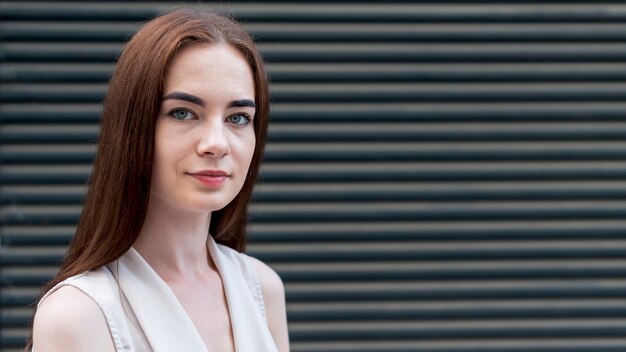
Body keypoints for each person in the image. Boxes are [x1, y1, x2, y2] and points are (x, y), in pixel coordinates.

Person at [25, 8, 289, 352]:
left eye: (238, 117)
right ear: (133, 127)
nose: (216, 143)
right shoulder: (79, 315)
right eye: (183, 113)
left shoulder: (262, 289)